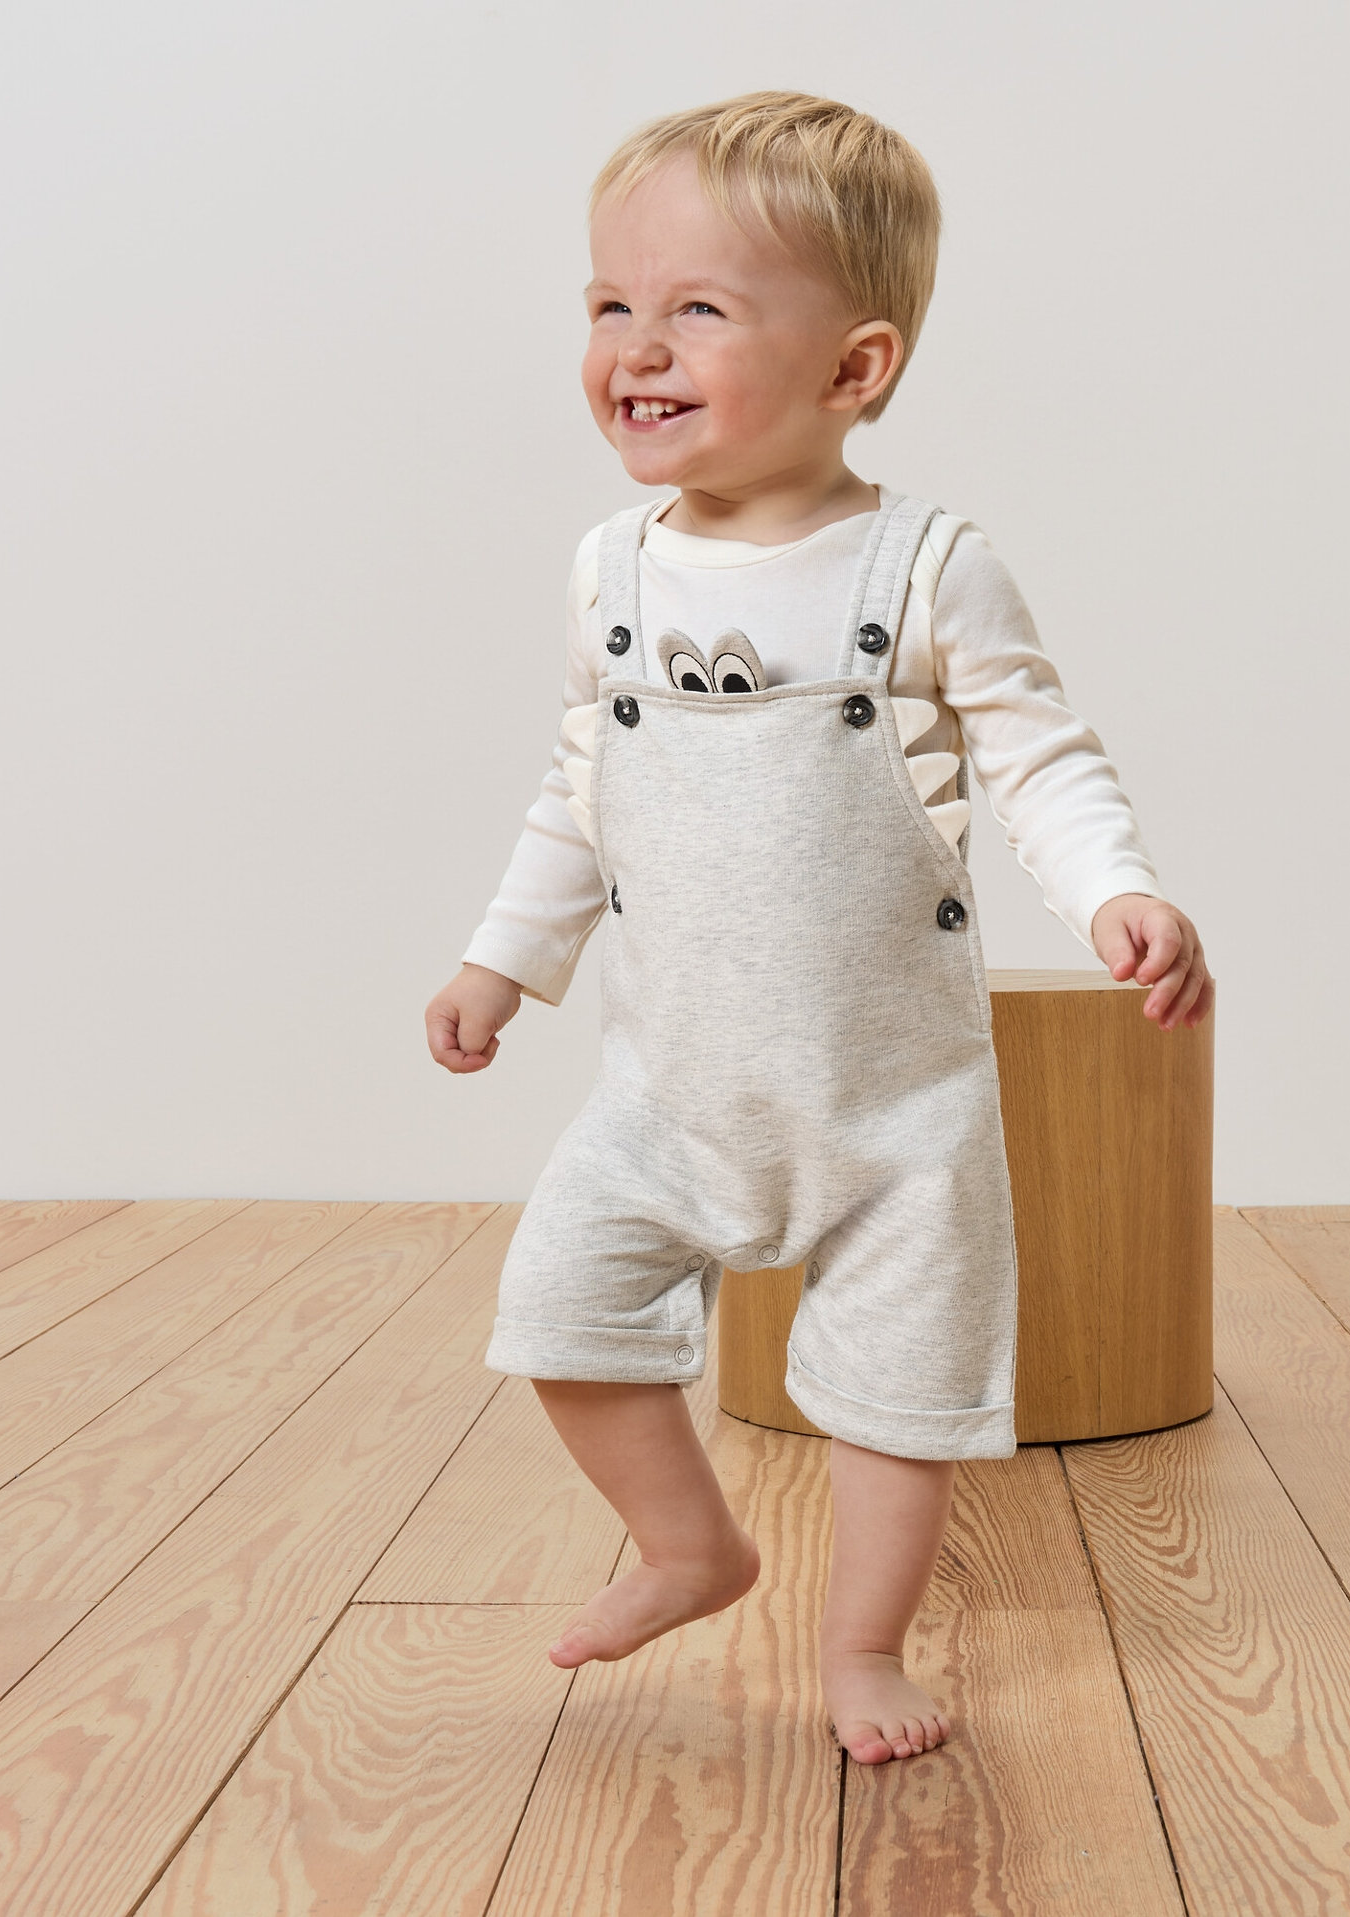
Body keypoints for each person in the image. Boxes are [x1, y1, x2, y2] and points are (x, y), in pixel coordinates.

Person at [425, 91, 1209, 1767]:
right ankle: (693, 1544)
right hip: (669, 1084)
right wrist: (504, 959)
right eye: (608, 303)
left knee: (893, 1398)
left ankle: (861, 1645)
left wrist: (1114, 888)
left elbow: (1038, 757)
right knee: (559, 1310)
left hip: (888, 1104)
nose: (635, 343)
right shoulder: (610, 573)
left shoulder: (925, 567)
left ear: (854, 369)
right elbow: (581, 790)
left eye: (696, 306)